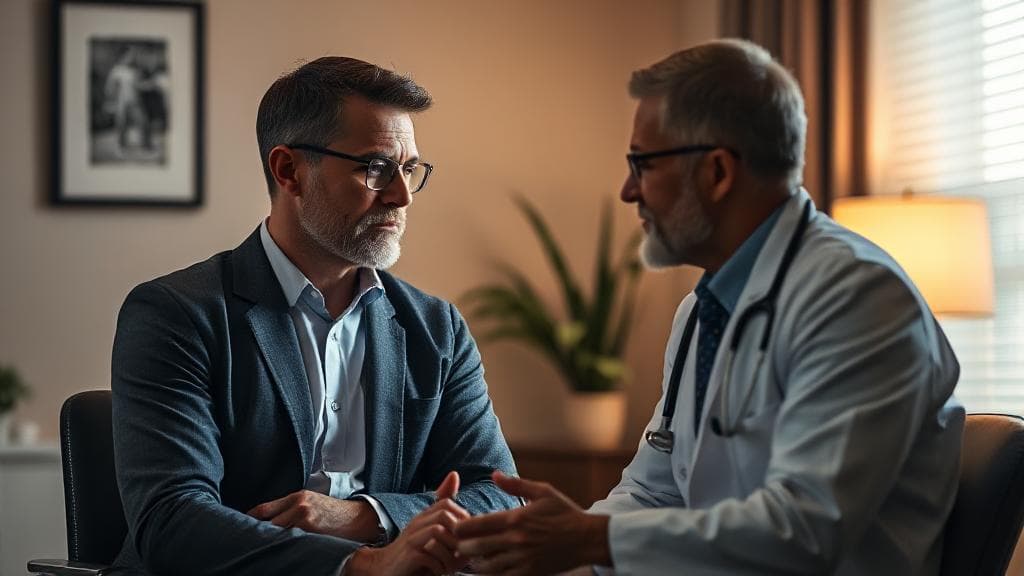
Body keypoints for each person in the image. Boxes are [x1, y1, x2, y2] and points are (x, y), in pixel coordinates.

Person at [455, 38, 964, 575]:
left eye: (642, 164)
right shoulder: (703, 309)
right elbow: (654, 492)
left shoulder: (857, 297)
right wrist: (547, 557)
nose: (629, 191)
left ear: (718, 172)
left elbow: (804, 530)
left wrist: (588, 539)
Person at [111, 56, 519, 576]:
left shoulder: (436, 328)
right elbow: (171, 522)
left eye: (410, 169)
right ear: (289, 171)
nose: (400, 196)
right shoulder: (176, 315)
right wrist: (361, 566)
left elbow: (501, 501)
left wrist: (365, 519)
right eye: (375, 168)